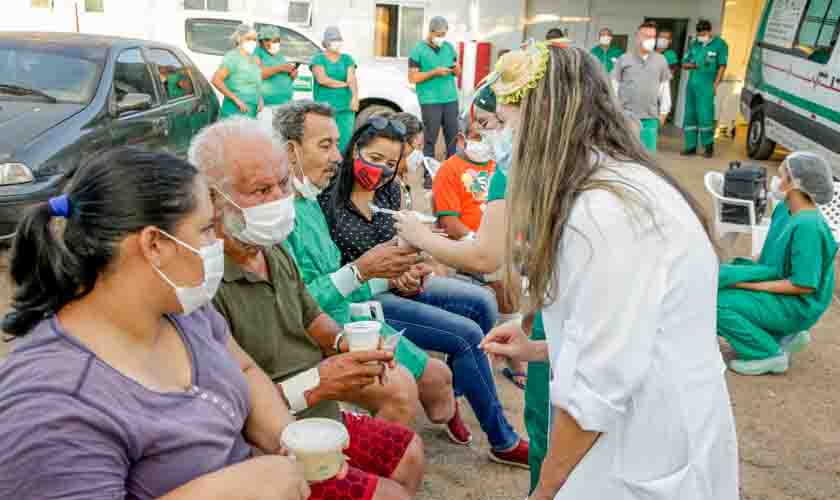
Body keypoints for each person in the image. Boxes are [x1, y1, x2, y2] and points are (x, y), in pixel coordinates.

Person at [0, 147, 421, 500]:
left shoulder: (182, 311)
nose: (214, 242)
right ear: (153, 245)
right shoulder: (52, 404)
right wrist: (236, 487)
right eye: (204, 230)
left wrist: (285, 439)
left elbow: (243, 368)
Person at [469, 43, 738, 500]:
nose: (499, 140)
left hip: (646, 444)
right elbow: (626, 330)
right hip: (649, 424)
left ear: (544, 118)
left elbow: (599, 386)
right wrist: (539, 348)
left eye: (507, 124)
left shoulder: (605, 211)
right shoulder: (611, 183)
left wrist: (546, 488)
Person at [276, 101, 530, 467]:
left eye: (390, 163)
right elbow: (300, 301)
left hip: (365, 303)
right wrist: (366, 272)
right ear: (291, 150)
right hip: (337, 323)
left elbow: (353, 276)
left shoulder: (320, 200)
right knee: (429, 368)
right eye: (326, 145)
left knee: (475, 315)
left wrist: (395, 271)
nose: (335, 157)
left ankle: (452, 401)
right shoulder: (301, 207)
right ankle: (365, 468)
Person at [187, 118, 421, 428]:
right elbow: (232, 404)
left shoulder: (271, 246)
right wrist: (318, 382)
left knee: (408, 443)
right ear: (212, 198)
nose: (279, 199)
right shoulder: (203, 284)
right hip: (273, 425)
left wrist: (342, 342)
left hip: (315, 386)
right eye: (261, 190)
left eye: (283, 184)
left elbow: (310, 313)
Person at [395, 50, 551, 491]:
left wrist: (418, 238)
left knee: (555, 423)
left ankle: (503, 434)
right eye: (482, 127)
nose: (491, 137)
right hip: (558, 313)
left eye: (498, 124)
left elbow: (486, 256)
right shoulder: (517, 166)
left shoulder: (514, 168)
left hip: (558, 307)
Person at [718, 152, 837, 376]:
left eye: (782, 176)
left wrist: (747, 285)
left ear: (796, 184)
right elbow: (774, 253)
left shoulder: (808, 226)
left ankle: (768, 353)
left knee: (716, 303)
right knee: (723, 278)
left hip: (798, 304)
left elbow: (803, 285)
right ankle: (782, 336)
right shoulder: (785, 209)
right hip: (778, 285)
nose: (776, 181)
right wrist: (744, 272)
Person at [409, 16, 461, 189]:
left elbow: (457, 71)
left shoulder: (449, 48)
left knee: (453, 138)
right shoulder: (418, 50)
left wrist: (456, 69)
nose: (441, 37)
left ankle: (452, 174)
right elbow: (413, 77)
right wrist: (434, 72)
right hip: (430, 100)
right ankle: (429, 176)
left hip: (450, 98)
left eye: (444, 34)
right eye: (438, 34)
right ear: (430, 32)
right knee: (430, 139)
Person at [612, 22, 672, 152]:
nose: (650, 40)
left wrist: (663, 113)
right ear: (637, 37)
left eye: (653, 37)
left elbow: (664, 88)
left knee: (648, 157)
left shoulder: (661, 60)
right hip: (626, 117)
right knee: (625, 154)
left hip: (650, 119)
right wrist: (614, 111)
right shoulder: (624, 59)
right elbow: (614, 87)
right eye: (646, 36)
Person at [682, 19, 728, 158]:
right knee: (690, 115)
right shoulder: (694, 44)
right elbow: (684, 63)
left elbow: (722, 66)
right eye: (699, 33)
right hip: (692, 85)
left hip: (707, 86)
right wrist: (692, 65)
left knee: (705, 116)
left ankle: (708, 147)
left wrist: (715, 84)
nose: (701, 35)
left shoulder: (720, 44)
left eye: (704, 33)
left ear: (709, 31)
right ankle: (690, 147)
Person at [311, 26, 358, 154]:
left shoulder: (347, 59)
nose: (336, 42)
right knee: (325, 141)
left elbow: (352, 79)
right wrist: (344, 84)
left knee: (344, 142)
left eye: (338, 39)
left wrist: (354, 98)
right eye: (333, 40)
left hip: (345, 107)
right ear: (326, 42)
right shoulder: (318, 59)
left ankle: (341, 171)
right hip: (325, 108)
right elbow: (322, 79)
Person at [212, 23, 263, 119]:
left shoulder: (256, 59)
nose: (252, 42)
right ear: (239, 39)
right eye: (248, 39)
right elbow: (216, 80)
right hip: (234, 111)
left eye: (254, 39)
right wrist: (236, 100)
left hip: (251, 111)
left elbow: (257, 83)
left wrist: (260, 99)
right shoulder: (232, 57)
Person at [256, 26, 298, 129]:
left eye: (276, 40)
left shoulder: (279, 55)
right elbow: (257, 74)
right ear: (262, 42)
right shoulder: (257, 53)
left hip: (284, 104)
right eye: (270, 40)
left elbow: (281, 76)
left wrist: (291, 76)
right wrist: (280, 68)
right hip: (267, 106)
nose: (274, 44)